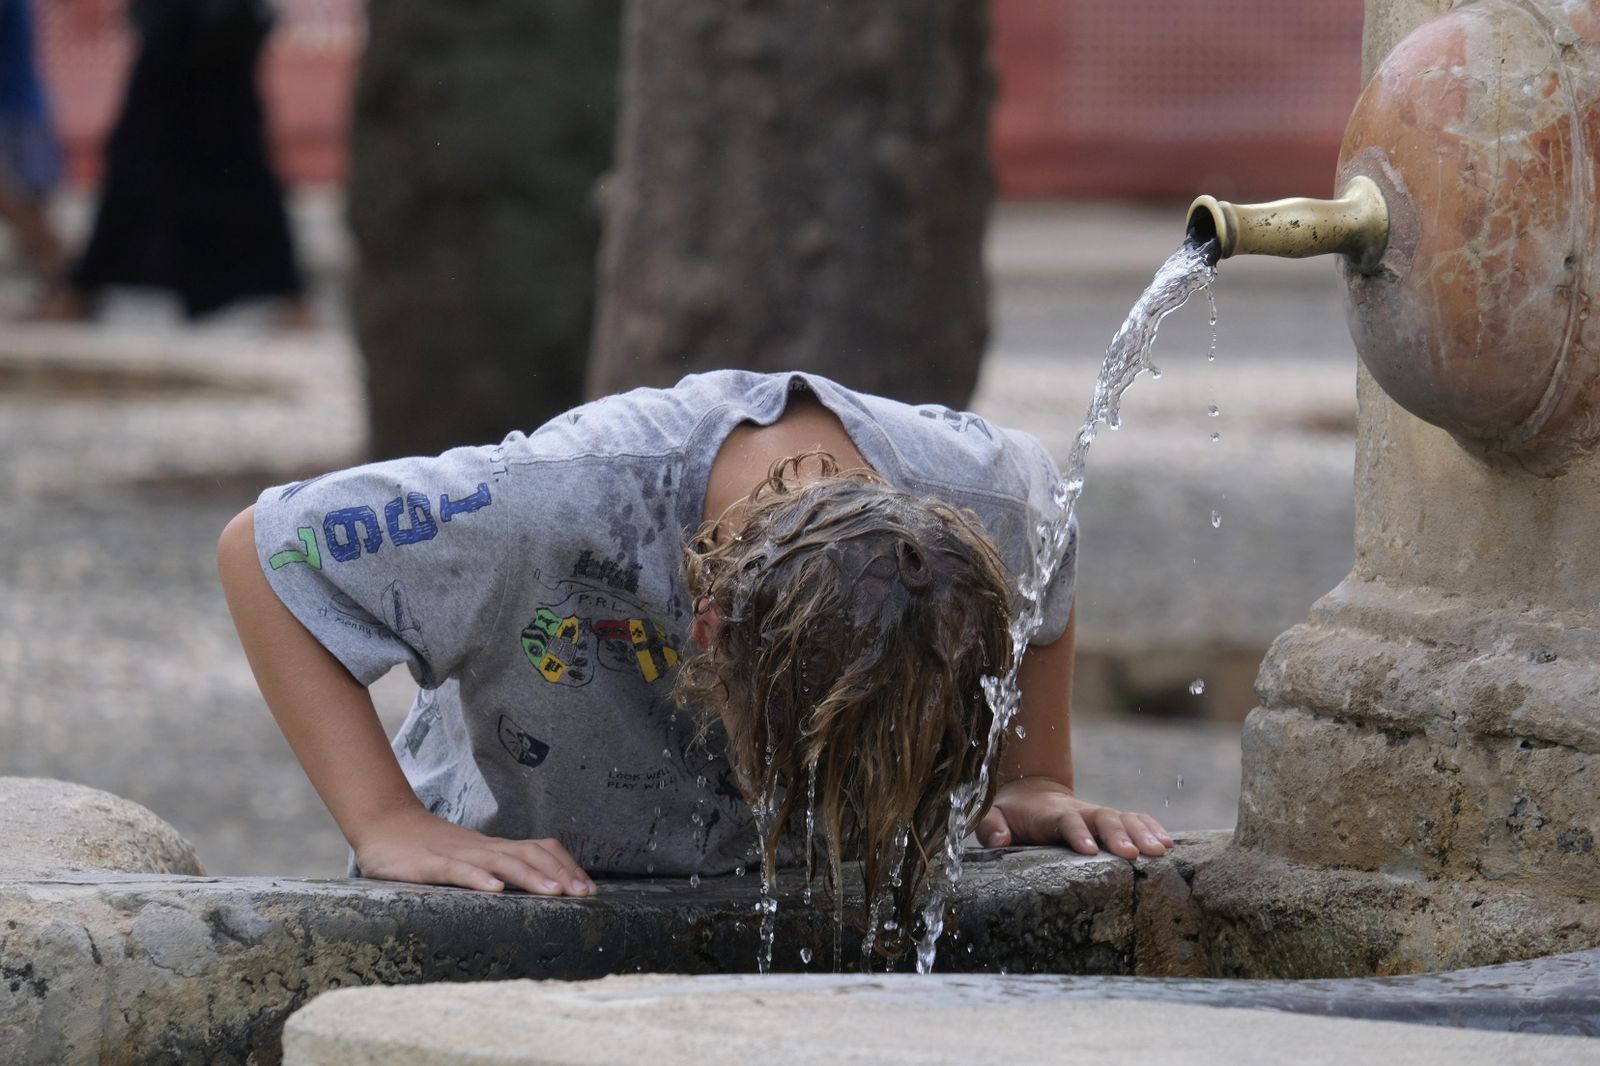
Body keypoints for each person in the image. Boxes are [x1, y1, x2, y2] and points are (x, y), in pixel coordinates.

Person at [218, 370, 1172, 945]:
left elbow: (1049, 572)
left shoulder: (997, 495)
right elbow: (267, 550)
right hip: (534, 883)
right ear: (705, 630)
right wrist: (383, 819)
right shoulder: (543, 506)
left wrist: (1033, 774)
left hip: (797, 898)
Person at [40, 0, 308, 322]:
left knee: (233, 155)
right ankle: (84, 288)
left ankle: (289, 294)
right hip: (182, 29)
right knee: (143, 156)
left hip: (215, 29)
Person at [0, 0, 67, 293]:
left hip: (13, 114)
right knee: (27, 209)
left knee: (24, 208)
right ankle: (64, 280)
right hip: (21, 110)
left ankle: (68, 281)